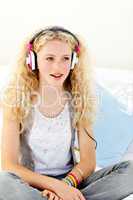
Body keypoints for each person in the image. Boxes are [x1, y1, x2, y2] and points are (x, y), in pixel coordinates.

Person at [0, 25, 133, 200]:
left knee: (130, 171)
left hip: (72, 181)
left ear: (74, 61)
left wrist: (65, 186)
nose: (58, 67)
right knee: (3, 181)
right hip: (30, 184)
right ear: (32, 60)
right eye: (49, 58)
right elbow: (9, 165)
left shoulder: (80, 99)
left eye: (65, 58)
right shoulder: (15, 99)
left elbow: (88, 162)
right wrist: (54, 186)